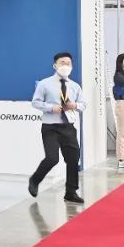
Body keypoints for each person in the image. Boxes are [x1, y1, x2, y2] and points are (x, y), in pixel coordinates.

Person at [29, 53, 87, 204]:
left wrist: (74, 105)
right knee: (52, 158)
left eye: (68, 63)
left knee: (73, 159)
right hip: (50, 127)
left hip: (68, 126)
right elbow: (35, 102)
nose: (65, 66)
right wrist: (51, 107)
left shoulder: (75, 86)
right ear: (55, 65)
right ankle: (35, 180)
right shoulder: (44, 84)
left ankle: (71, 192)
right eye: (62, 62)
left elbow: (83, 105)